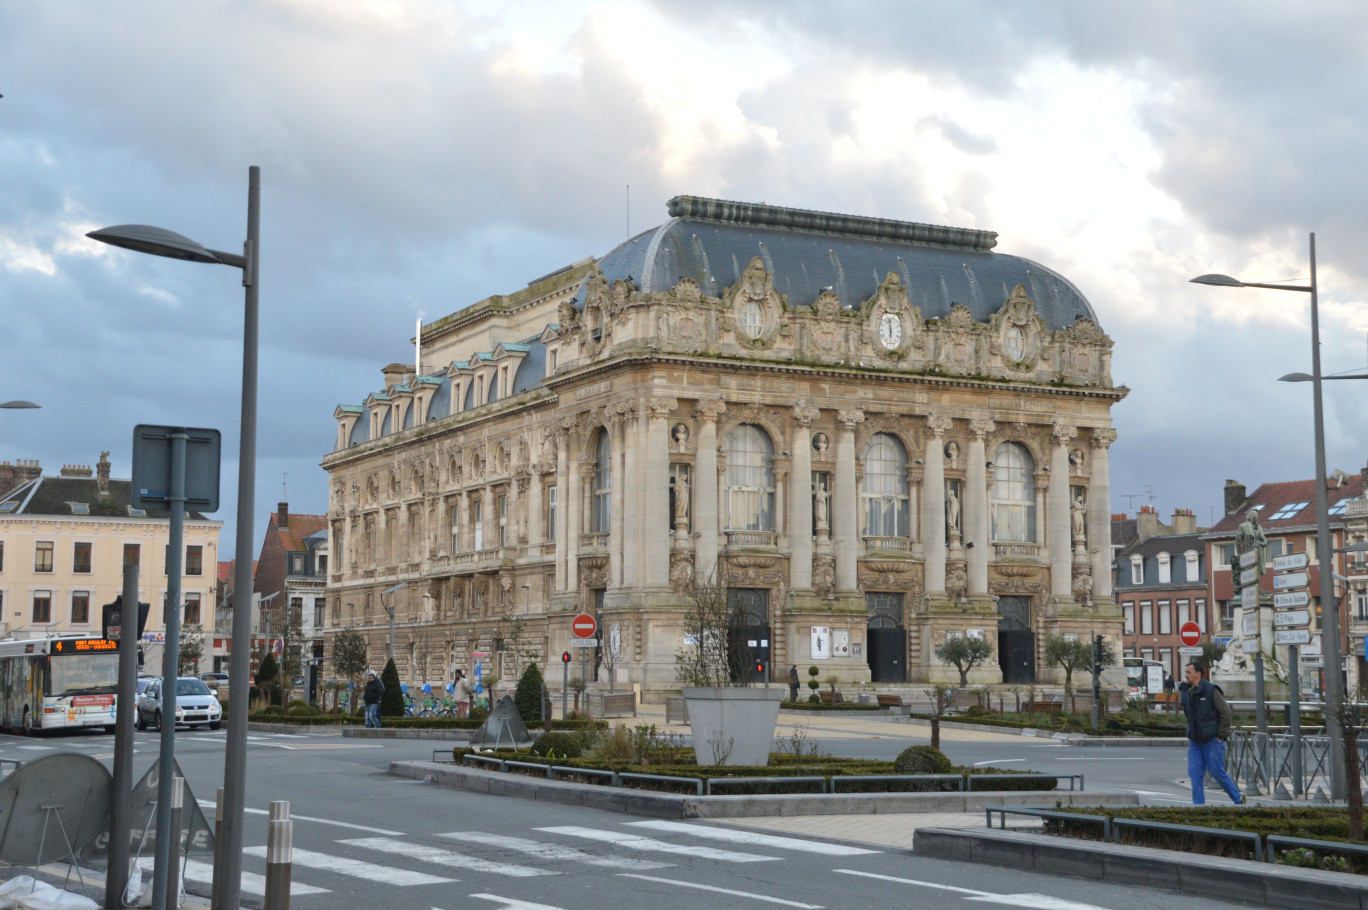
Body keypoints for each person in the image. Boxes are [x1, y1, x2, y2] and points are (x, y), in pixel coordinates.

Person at [1178, 661, 1243, 805]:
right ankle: (1199, 807)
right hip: (1195, 740)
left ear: (1198, 674)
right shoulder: (1186, 691)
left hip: (1212, 740)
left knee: (1217, 772)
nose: (1186, 675)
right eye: (1186, 672)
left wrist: (1220, 736)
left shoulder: (1211, 690)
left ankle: (1238, 799)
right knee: (1195, 774)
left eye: (1189, 672)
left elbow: (1226, 713)